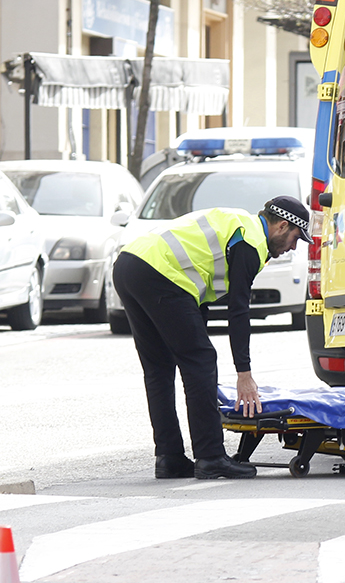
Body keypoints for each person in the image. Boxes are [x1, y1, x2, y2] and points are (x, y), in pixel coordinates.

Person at [111, 197, 311, 480]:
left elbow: (200, 292)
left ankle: (168, 458)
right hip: (159, 272)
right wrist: (244, 373)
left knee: (159, 368)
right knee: (202, 361)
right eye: (295, 238)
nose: (293, 247)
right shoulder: (250, 241)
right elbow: (239, 310)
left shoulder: (238, 223)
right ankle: (210, 457)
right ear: (282, 226)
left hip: (130, 265)